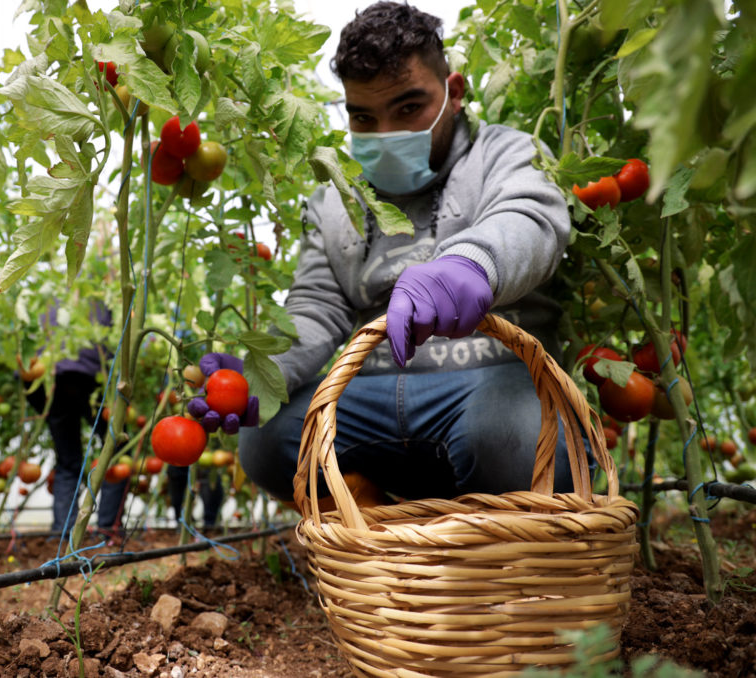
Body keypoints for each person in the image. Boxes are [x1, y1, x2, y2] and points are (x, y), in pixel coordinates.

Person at [239, 2, 578, 507]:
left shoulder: (507, 154)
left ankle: (485, 546)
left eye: (408, 108)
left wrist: (472, 264)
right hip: (369, 395)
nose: (385, 133)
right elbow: (314, 307)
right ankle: (377, 526)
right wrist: (254, 376)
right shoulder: (334, 200)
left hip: (493, 381)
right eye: (364, 117)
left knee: (515, 440)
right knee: (266, 440)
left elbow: (531, 219)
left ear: (454, 93)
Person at [24, 302, 126, 535]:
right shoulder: (105, 291)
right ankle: (107, 530)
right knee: (117, 453)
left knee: (68, 460)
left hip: (43, 378)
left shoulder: (55, 290)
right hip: (86, 372)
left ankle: (62, 532)